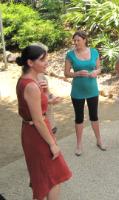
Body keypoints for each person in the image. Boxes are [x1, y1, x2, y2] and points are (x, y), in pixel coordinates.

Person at [16, 44, 72, 200]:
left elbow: (32, 108)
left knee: (41, 177)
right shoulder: (31, 86)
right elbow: (38, 120)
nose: (47, 62)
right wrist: (53, 144)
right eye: (42, 59)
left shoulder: (25, 80)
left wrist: (48, 97)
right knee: (54, 176)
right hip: (37, 134)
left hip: (32, 131)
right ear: (30, 63)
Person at [64, 30, 106, 156]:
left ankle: (99, 140)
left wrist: (96, 72)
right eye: (74, 41)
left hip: (92, 90)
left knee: (94, 116)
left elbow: (99, 68)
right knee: (79, 118)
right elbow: (66, 73)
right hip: (77, 91)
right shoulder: (70, 55)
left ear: (85, 40)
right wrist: (76, 73)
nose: (76, 43)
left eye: (78, 40)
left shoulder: (94, 51)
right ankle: (79, 145)